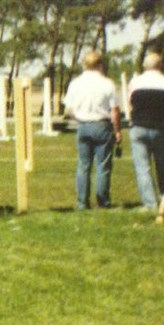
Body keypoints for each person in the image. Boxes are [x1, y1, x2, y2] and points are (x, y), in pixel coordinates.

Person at [63, 50, 122, 209]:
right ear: (100, 65)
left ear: (84, 65)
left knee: (83, 165)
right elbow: (114, 111)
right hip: (102, 125)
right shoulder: (107, 84)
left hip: (83, 125)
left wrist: (79, 118)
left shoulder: (75, 83)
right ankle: (103, 201)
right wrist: (117, 131)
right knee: (103, 166)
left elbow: (69, 109)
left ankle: (82, 202)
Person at [128, 52, 164, 210]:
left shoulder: (135, 82)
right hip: (160, 128)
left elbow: (130, 103)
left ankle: (149, 203)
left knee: (143, 168)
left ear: (144, 66)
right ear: (160, 65)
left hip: (139, 127)